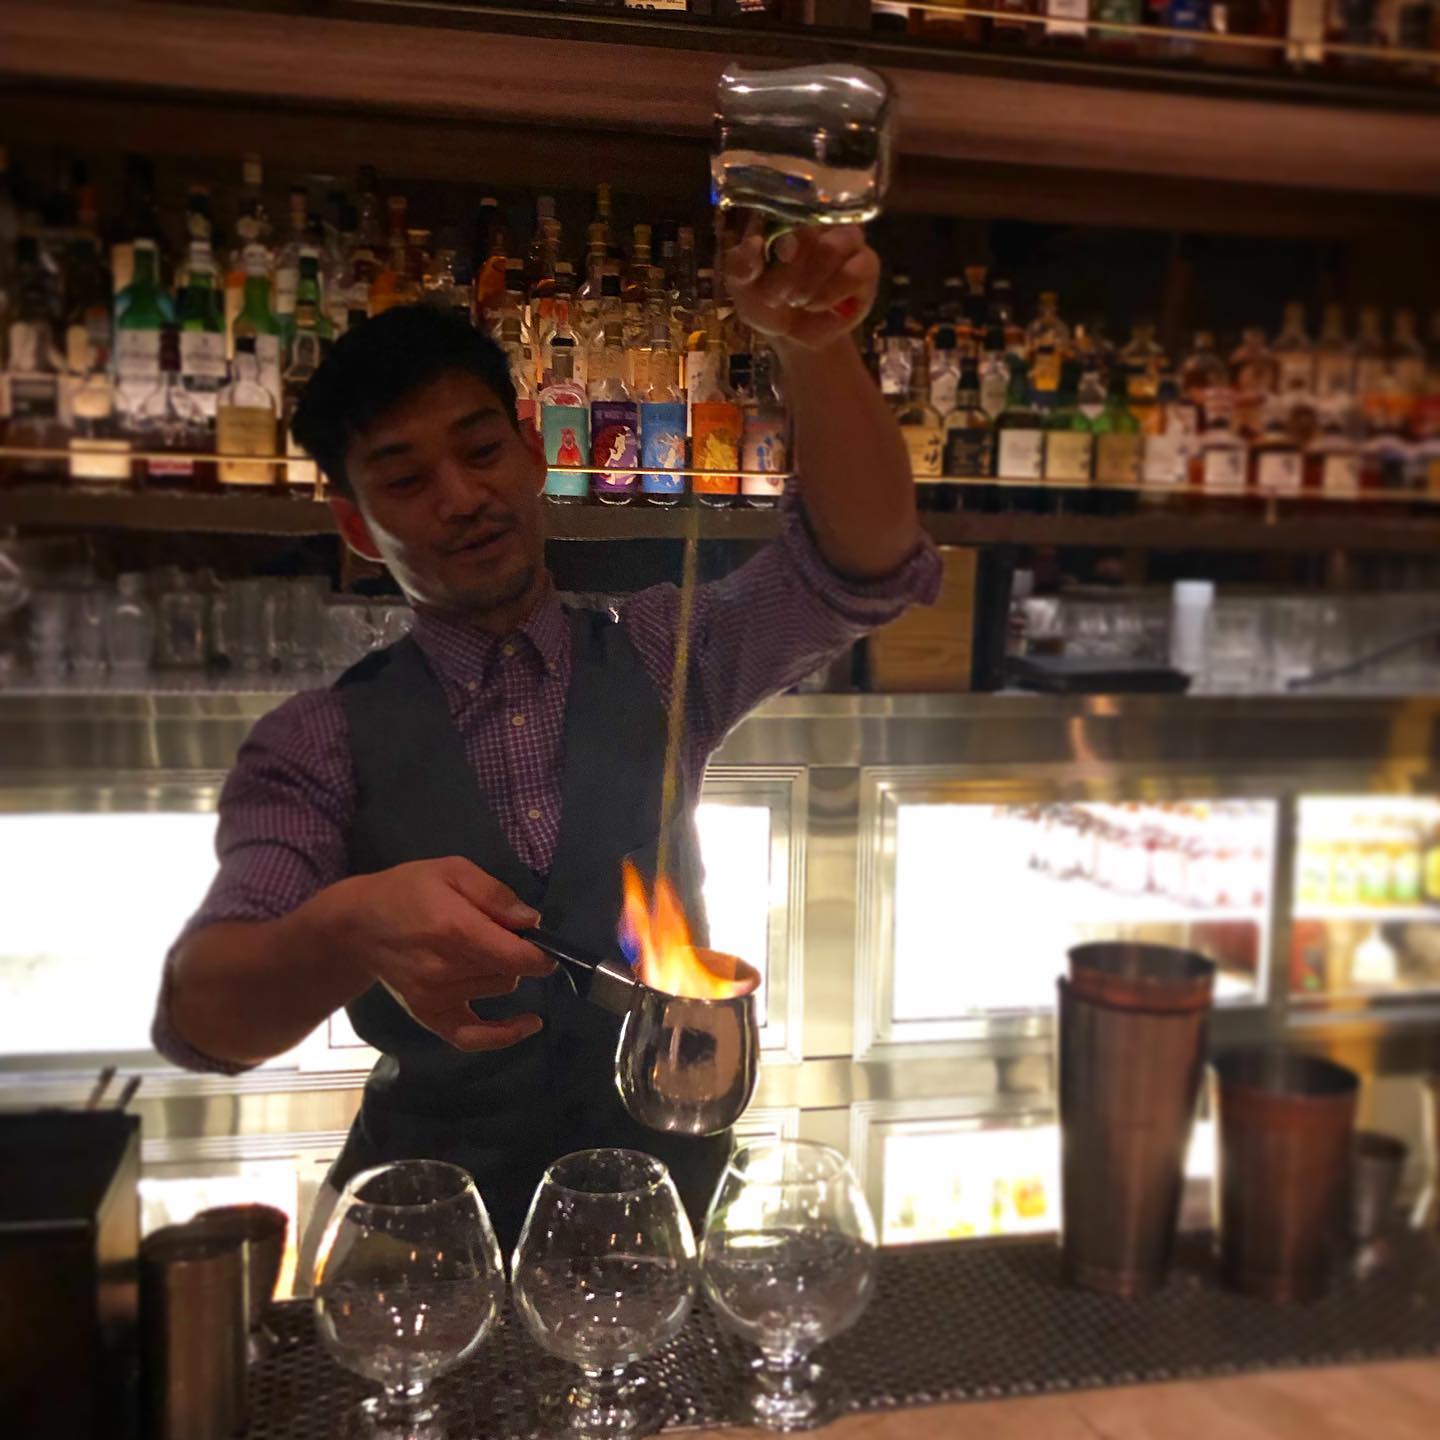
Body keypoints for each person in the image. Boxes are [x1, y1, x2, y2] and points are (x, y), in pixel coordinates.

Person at [153, 222, 940, 1266]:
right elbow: (202, 1021)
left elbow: (863, 563)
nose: (462, 497)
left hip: (659, 1224)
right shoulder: (317, 743)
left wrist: (812, 343)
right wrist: (343, 927)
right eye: (404, 479)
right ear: (354, 524)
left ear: (533, 454)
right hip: (420, 1246)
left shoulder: (663, 651)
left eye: (481, 452)